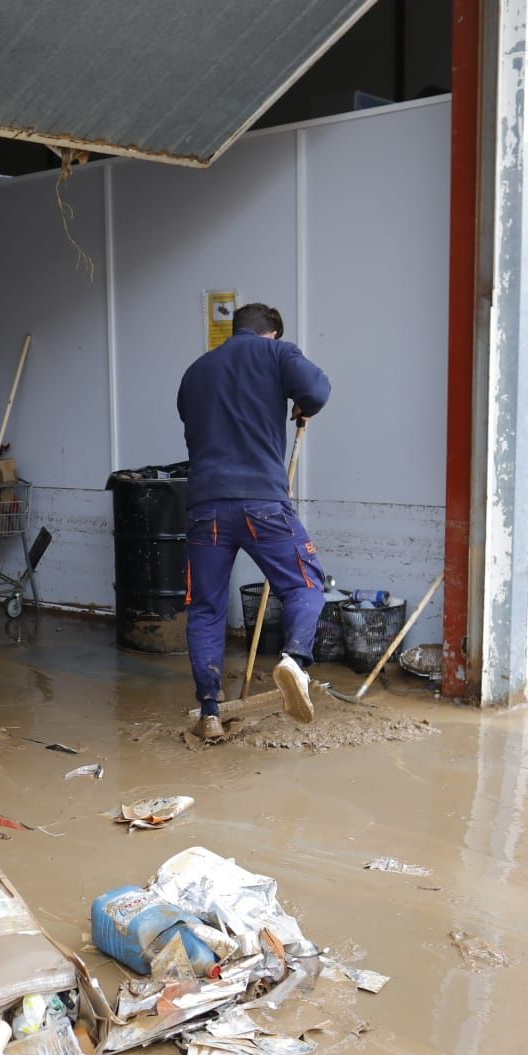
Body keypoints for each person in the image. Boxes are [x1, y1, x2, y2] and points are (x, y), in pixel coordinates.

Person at [177, 302, 332, 741]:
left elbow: (194, 422)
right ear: (272, 334)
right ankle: (295, 662)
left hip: (205, 506)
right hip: (262, 502)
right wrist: (302, 404)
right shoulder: (277, 355)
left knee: (206, 609)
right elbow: (318, 391)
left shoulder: (195, 372)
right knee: (304, 583)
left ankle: (209, 711)